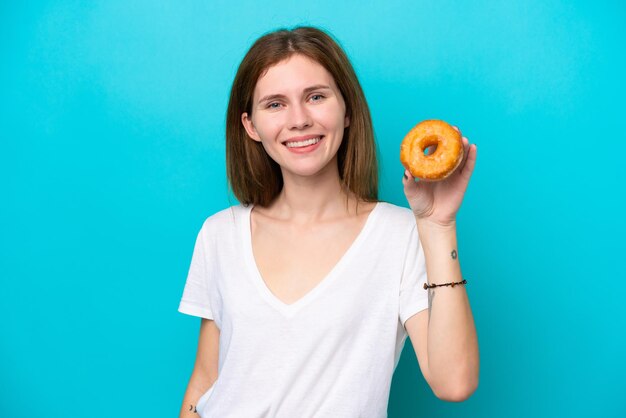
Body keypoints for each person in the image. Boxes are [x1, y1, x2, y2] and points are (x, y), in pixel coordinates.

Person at [177, 26, 479, 418]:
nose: (299, 120)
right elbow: (204, 380)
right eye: (275, 104)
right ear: (251, 126)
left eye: (316, 97)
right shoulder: (219, 233)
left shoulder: (400, 234)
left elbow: (453, 382)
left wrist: (438, 228)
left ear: (347, 109)